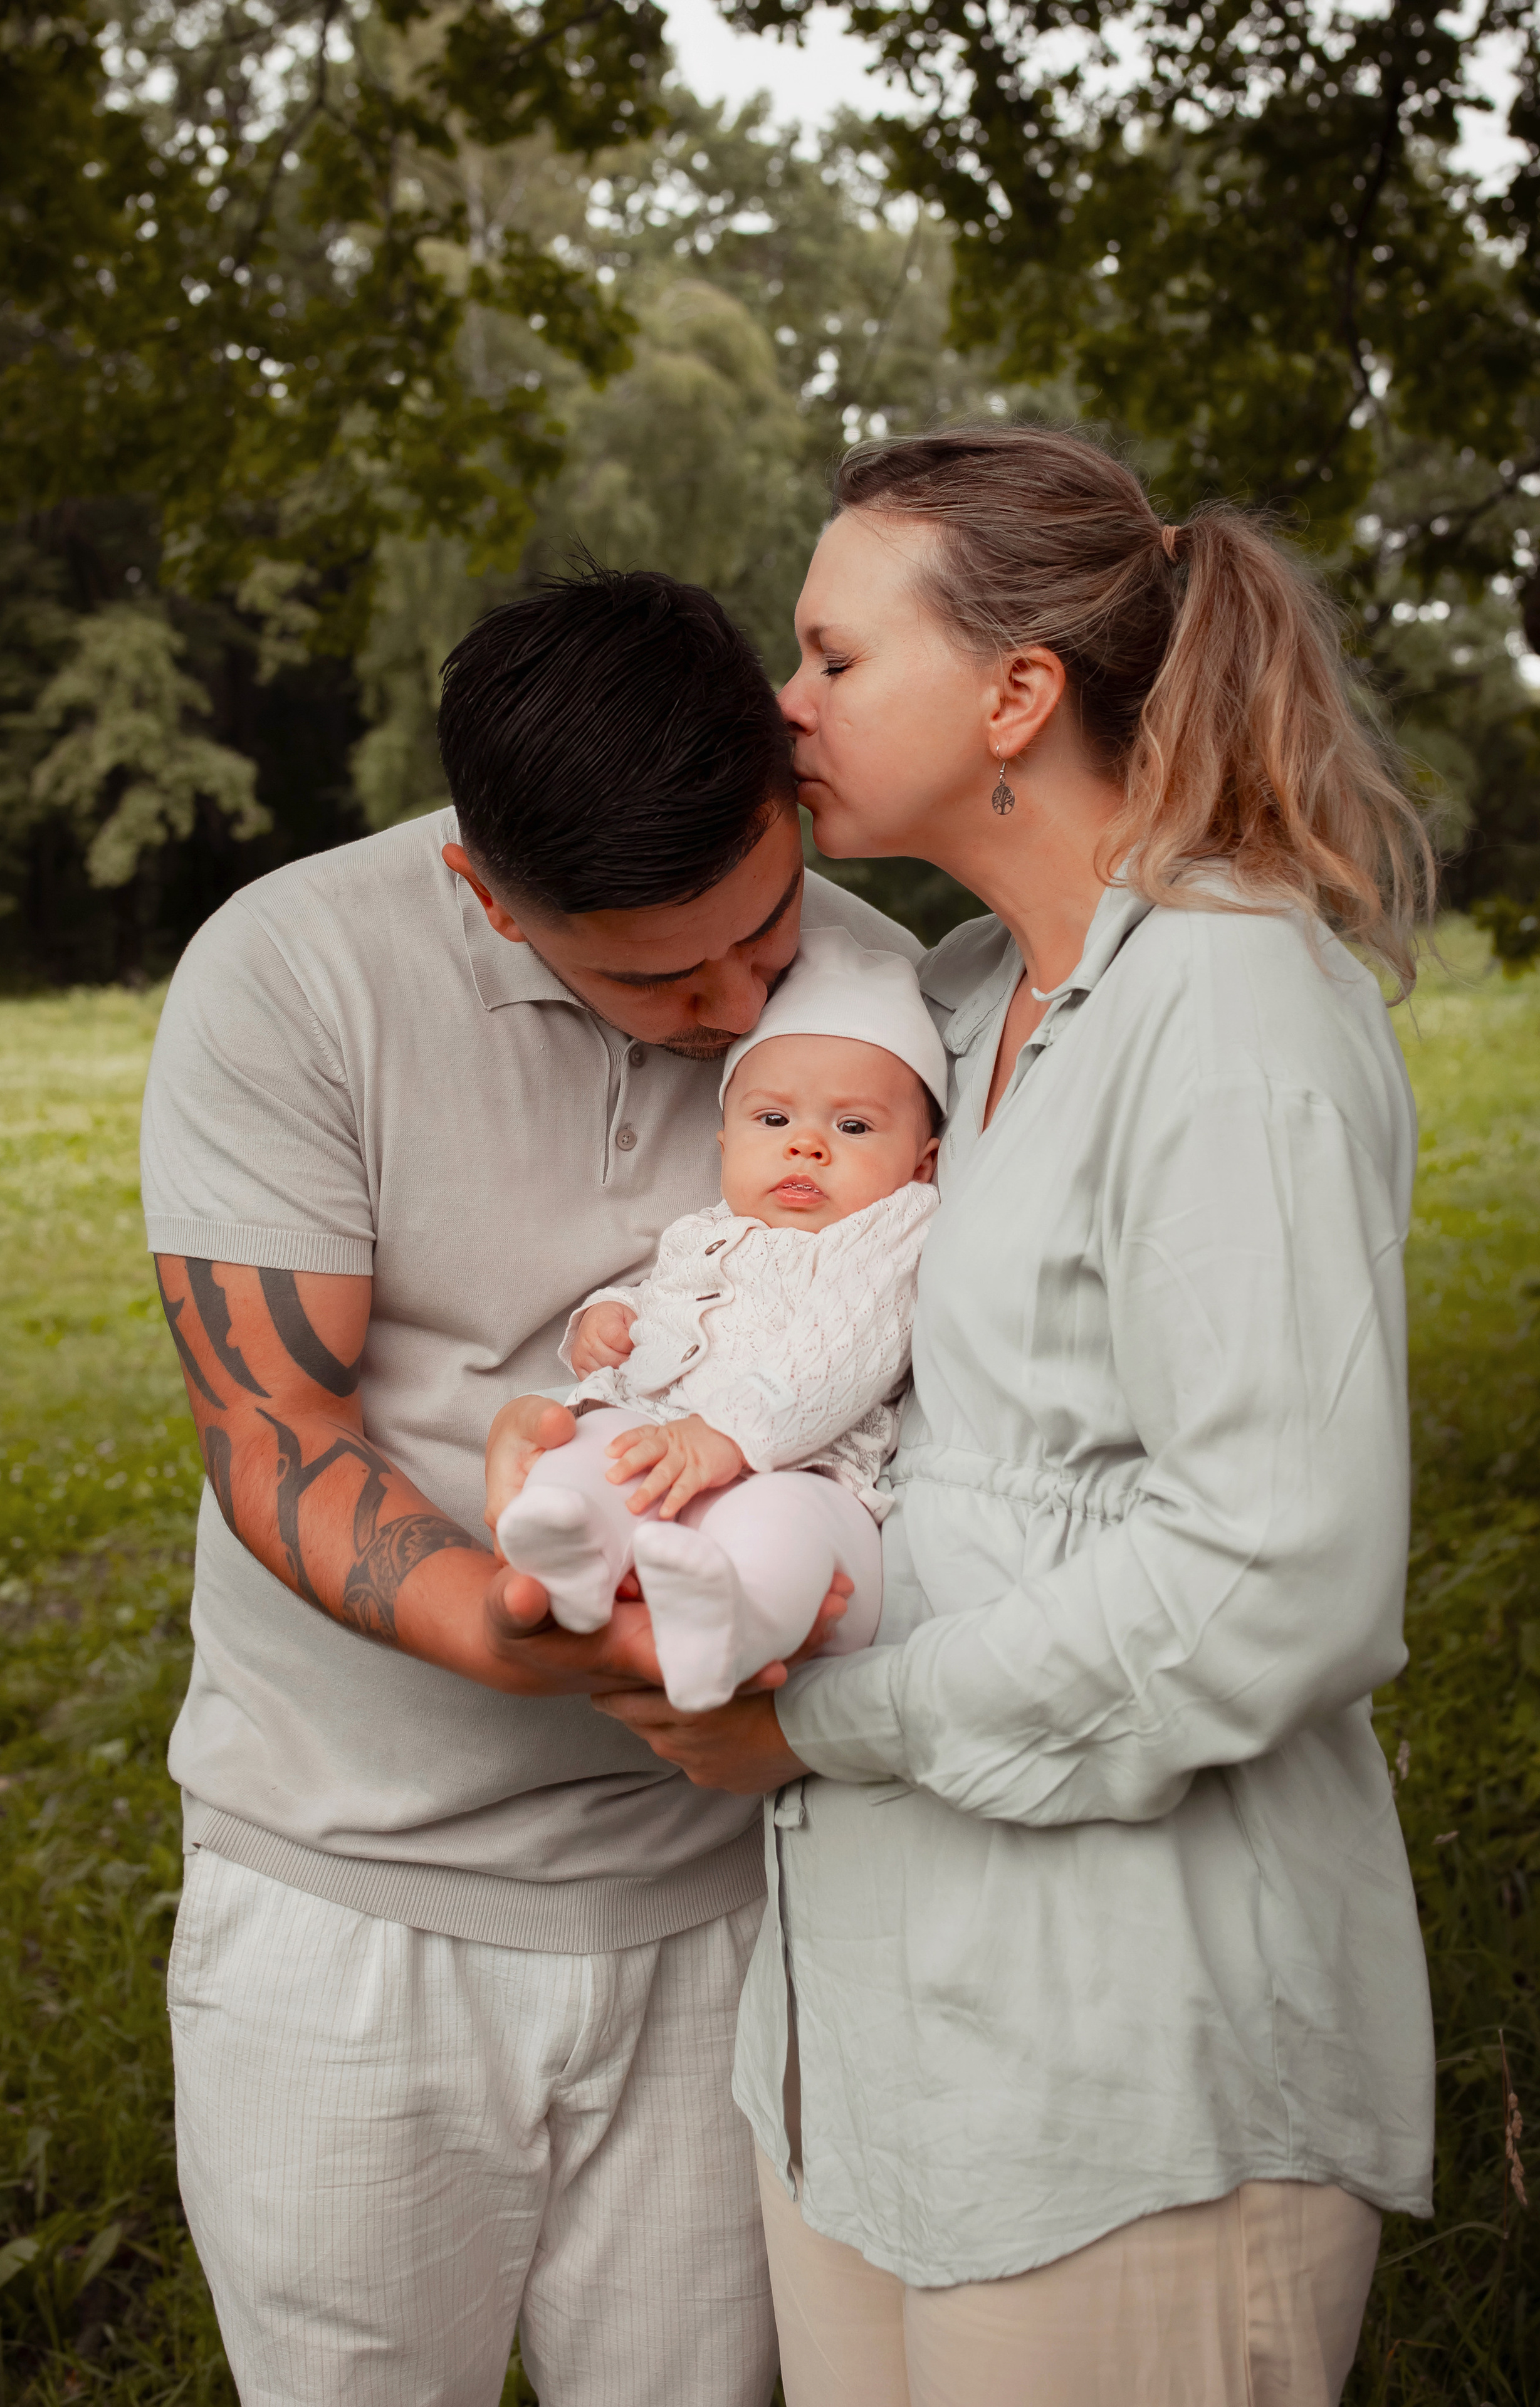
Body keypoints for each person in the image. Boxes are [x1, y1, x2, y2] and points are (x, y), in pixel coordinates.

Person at [569, 427, 1438, 2406]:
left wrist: (815, 1722)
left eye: (833, 654)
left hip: (1125, 2067)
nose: (781, 702)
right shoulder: (949, 1007)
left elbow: (1273, 1575)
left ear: (1015, 694)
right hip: (881, 2049)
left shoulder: (1229, 1013)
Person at [140, 563, 918, 2407]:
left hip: (731, 1896)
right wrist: (507, 1634)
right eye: (659, 972)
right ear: (485, 896)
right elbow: (268, 1424)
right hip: (350, 1896)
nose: (740, 1002)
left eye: (764, 923)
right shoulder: (290, 965)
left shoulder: (871, 990)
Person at [498, 926, 945, 1709]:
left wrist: (733, 1436)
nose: (805, 1147)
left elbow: (851, 1349)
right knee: (597, 1445)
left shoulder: (888, 1236)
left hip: (797, 1465)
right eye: (772, 1122)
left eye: (852, 1127)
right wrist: (609, 1318)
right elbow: (670, 1295)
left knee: (784, 1527)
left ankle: (733, 1621)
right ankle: (571, 1546)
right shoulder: (707, 1229)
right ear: (725, 1141)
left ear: (921, 1162)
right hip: (668, 1439)